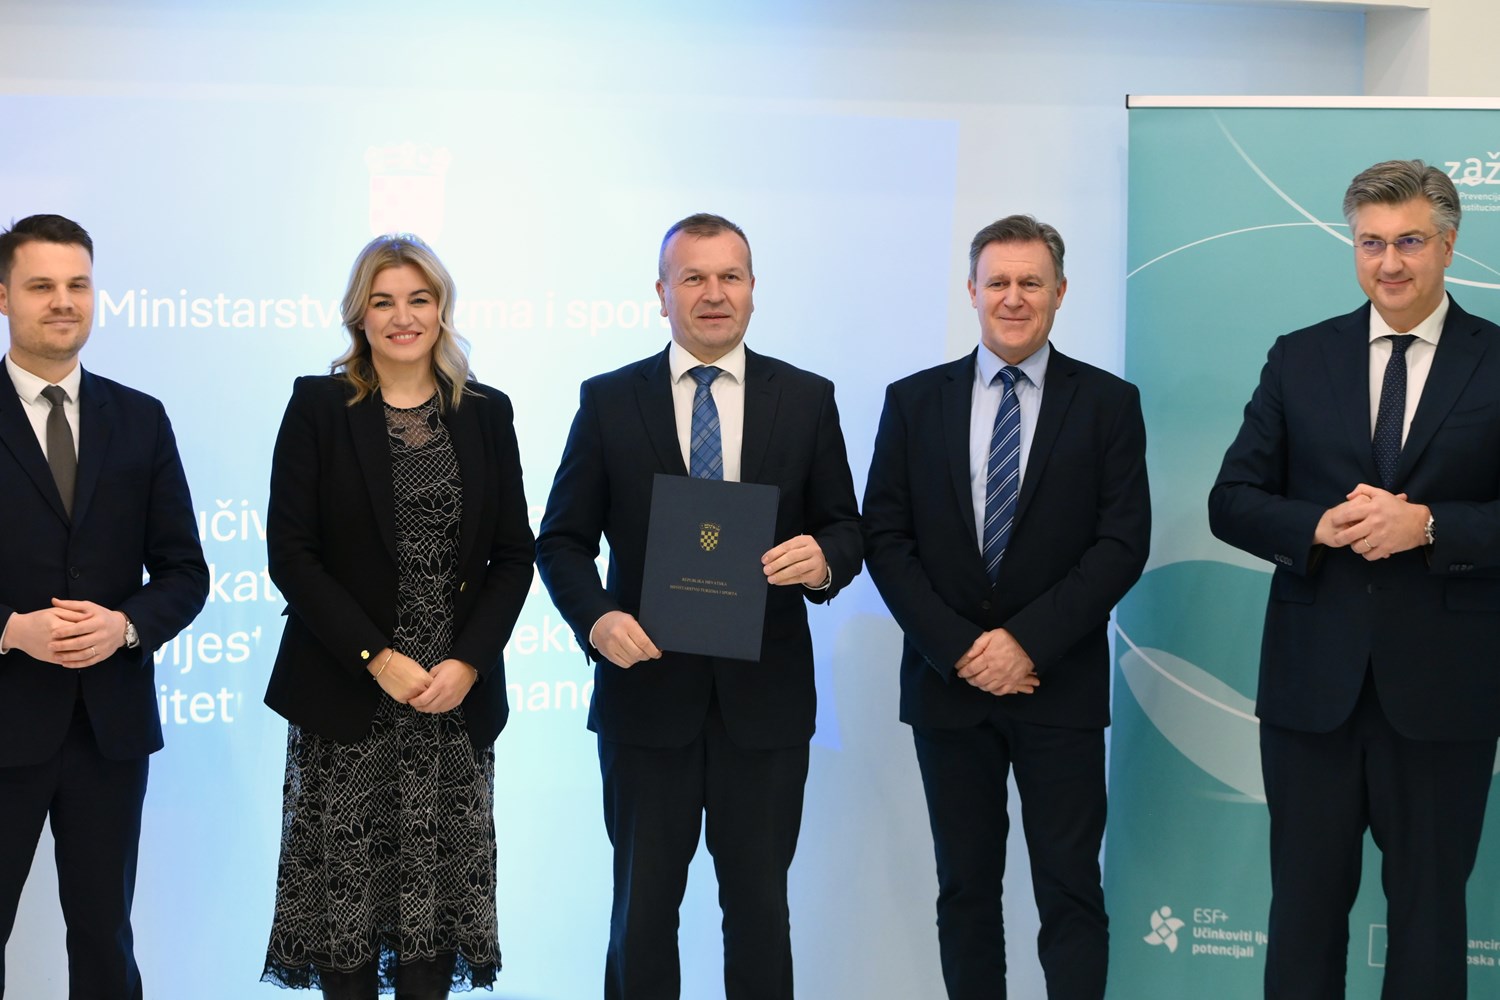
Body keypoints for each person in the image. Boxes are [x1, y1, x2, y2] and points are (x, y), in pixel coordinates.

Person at [535, 213, 861, 1000]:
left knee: (760, 914)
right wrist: (597, 618)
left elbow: (847, 527)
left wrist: (824, 561)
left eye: (729, 277)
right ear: (662, 294)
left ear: (752, 290)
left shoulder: (806, 398)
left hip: (766, 703)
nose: (713, 293)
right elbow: (562, 540)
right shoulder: (609, 401)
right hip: (646, 698)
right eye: (693, 278)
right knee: (642, 916)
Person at [1209, 160, 1500, 999]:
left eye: (1409, 241)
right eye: (1371, 243)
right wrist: (1317, 525)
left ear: (1448, 244)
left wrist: (1430, 525)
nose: (1389, 262)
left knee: (1430, 921)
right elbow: (1232, 500)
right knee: (1303, 917)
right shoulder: (1301, 357)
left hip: (1444, 693)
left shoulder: (1495, 359)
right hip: (1311, 692)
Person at [862, 215, 1150, 1000]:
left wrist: (1024, 643)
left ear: (1060, 291)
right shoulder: (913, 401)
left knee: (1070, 889)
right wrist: (962, 649)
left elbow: (1122, 543)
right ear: (972, 290)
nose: (1013, 297)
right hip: (947, 687)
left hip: (1059, 685)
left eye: (1030, 282)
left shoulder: (1109, 403)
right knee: (964, 889)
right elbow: (885, 538)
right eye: (998, 282)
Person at [260, 234, 534, 1000]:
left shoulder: (486, 413)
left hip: (449, 702)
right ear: (360, 315)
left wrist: (468, 662)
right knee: (345, 928)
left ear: (442, 309)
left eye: (419, 299)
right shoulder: (319, 407)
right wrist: (376, 658)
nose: (402, 316)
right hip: (349, 700)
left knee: (433, 929)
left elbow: (515, 554)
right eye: (383, 301)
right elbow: (292, 554)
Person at [0, 214, 209, 999]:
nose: (64, 301)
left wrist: (126, 626)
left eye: (78, 284)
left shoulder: (140, 418)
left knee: (103, 939)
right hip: (3, 717)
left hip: (107, 731)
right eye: (41, 285)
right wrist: (10, 629)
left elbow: (184, 572)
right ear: (4, 297)